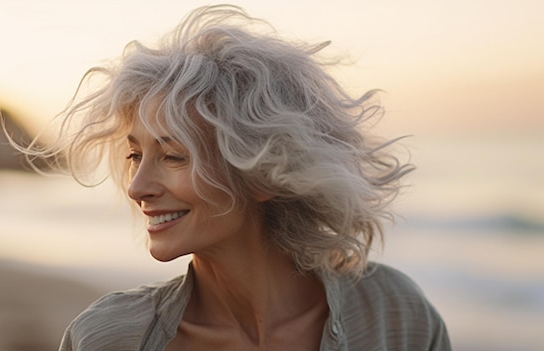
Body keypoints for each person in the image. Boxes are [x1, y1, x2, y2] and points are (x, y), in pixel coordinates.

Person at [23, 4, 451, 350]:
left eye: (172, 155)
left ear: (266, 172)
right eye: (136, 155)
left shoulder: (395, 317)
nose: (137, 188)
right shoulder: (109, 339)